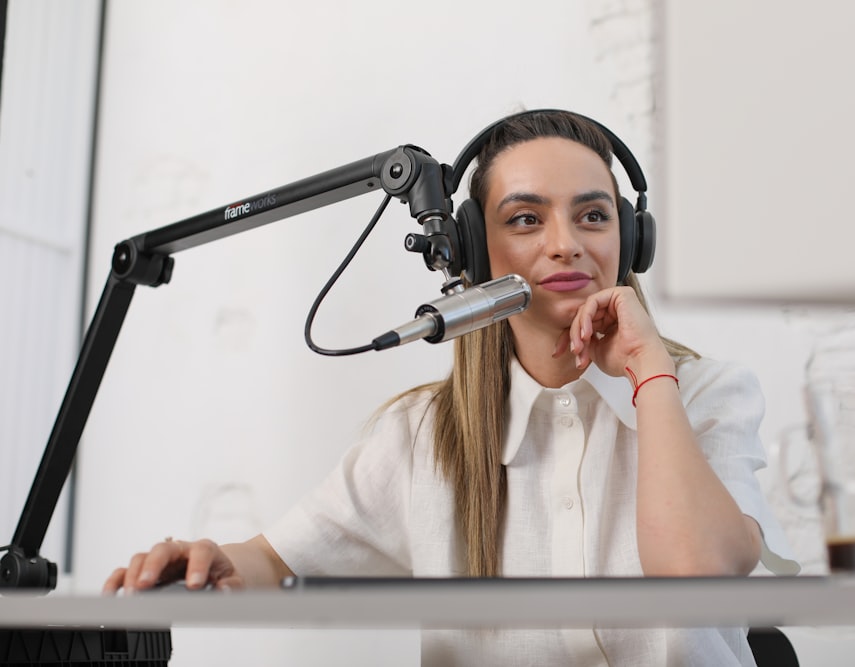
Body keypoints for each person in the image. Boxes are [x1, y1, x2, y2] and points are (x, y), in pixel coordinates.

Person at [104, 109, 799, 665]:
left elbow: (695, 572)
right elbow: (276, 556)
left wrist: (651, 369)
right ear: (470, 249)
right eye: (526, 218)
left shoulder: (706, 393)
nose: (566, 243)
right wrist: (211, 560)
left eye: (593, 215)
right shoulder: (419, 437)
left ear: (630, 238)